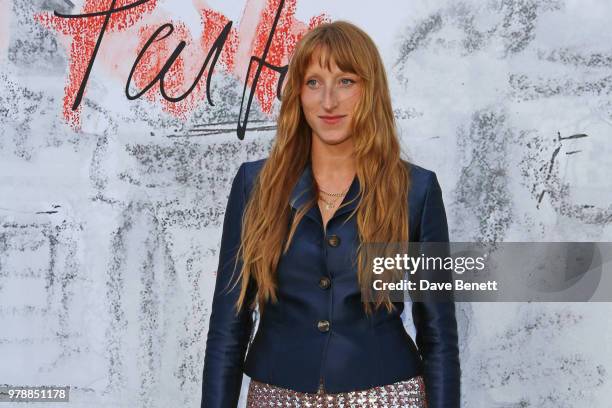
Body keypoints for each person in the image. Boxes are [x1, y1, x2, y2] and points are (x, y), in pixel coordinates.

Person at [201, 20, 460, 408]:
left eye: (345, 81)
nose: (328, 102)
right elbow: (228, 326)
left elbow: (438, 335)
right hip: (276, 398)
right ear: (298, 95)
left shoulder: (416, 191)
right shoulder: (253, 185)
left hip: (387, 396)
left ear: (369, 90)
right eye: (313, 82)